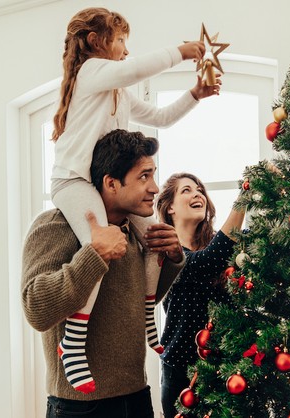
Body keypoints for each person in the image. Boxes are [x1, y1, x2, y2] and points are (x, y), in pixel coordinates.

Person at [50, 7, 221, 393]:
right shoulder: (90, 72)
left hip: (99, 184)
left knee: (155, 238)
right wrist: (182, 51)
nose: (127, 50)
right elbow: (133, 69)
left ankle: (148, 318)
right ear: (97, 42)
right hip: (74, 182)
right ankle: (73, 340)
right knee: (103, 244)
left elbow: (160, 117)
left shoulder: (119, 94)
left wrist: (195, 94)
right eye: (122, 41)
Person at [22, 129, 186, 418]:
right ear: (111, 182)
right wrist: (94, 255)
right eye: (144, 177)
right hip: (81, 406)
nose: (155, 188)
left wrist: (172, 259)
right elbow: (37, 309)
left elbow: (132, 303)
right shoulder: (55, 225)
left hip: (137, 396)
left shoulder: (133, 229)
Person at [154, 173, 246, 417]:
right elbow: (205, 262)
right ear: (170, 207)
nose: (197, 194)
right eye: (186, 190)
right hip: (182, 372)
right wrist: (245, 196)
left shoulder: (222, 246)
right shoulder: (166, 253)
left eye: (200, 190)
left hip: (229, 368)